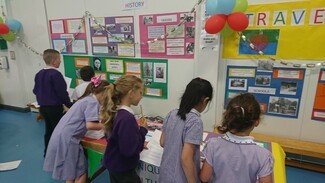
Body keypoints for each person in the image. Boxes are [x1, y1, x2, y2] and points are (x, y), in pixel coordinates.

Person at [43, 75, 109, 183]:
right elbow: (90, 125)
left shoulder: (85, 99)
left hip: (62, 135)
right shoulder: (93, 102)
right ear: (104, 93)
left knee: (71, 171)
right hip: (69, 139)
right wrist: (107, 125)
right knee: (81, 171)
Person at [200, 93, 274, 183]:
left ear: (228, 117)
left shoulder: (213, 144)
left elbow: (204, 177)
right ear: (256, 122)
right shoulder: (263, 155)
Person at [159, 77, 213, 183]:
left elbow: (162, 142)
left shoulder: (172, 113)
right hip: (181, 178)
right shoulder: (195, 122)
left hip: (165, 175)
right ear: (205, 100)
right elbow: (185, 158)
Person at [100, 75, 148, 183]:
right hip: (123, 168)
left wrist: (136, 141)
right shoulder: (127, 118)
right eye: (140, 92)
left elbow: (115, 138)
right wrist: (142, 131)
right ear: (131, 93)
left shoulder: (116, 111)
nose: (142, 96)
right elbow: (129, 151)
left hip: (114, 164)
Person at [33, 49, 73, 157]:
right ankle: (61, 154)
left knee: (49, 130)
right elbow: (62, 93)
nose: (60, 62)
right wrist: (70, 105)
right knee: (59, 131)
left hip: (43, 107)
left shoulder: (39, 74)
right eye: (59, 60)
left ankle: (48, 153)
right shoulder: (56, 74)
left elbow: (35, 90)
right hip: (54, 108)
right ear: (54, 61)